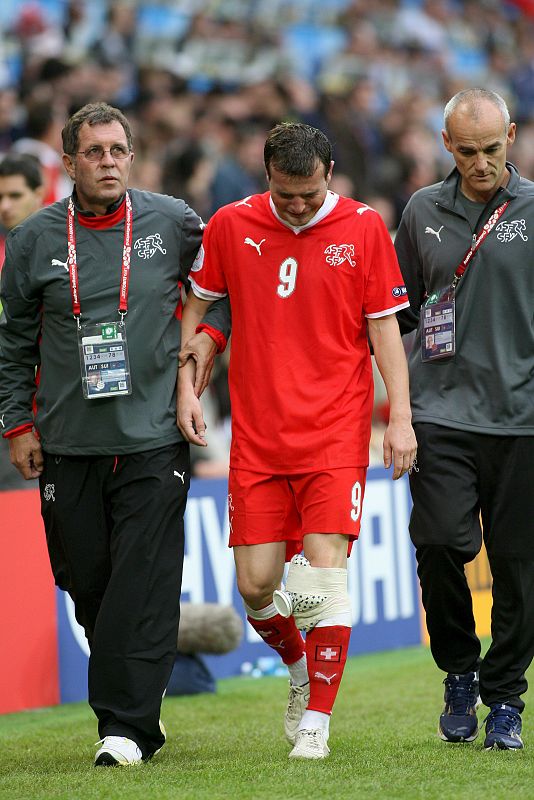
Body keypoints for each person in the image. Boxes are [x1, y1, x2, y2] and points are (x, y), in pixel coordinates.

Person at [0, 101, 230, 766]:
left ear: (131, 156)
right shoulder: (34, 239)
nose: (107, 162)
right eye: (94, 152)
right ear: (68, 162)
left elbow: (228, 287)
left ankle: (126, 727)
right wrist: (17, 421)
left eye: (117, 150)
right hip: (66, 443)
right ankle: (130, 709)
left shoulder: (171, 221)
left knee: (144, 579)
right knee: (88, 585)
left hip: (155, 439)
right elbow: (12, 341)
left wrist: (205, 347)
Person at [178, 122, 417, 760]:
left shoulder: (365, 227)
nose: (300, 207)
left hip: (337, 429)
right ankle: (299, 667)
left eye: (310, 194)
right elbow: (201, 309)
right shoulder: (230, 224)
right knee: (256, 588)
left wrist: (399, 417)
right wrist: (187, 380)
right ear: (268, 179)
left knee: (324, 577)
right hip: (258, 437)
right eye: (287, 196)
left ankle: (316, 721)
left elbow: (386, 332)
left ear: (330, 173)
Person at [395, 87, 534, 751]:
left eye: (492, 148)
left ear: (511, 136)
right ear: (446, 145)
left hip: (523, 418)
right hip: (440, 414)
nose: (482, 163)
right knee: (441, 544)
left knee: (520, 568)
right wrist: (398, 405)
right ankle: (459, 668)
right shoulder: (421, 210)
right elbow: (397, 314)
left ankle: (506, 697)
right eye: (468, 150)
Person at [0, 153, 45, 490]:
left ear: (39, 193)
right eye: (0, 197)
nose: (5, 206)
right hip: (11, 403)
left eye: (14, 196)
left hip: (46, 409)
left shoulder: (61, 252)